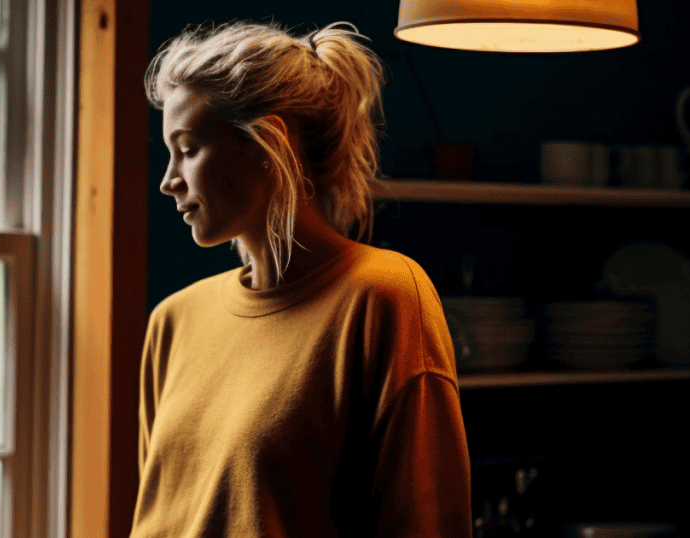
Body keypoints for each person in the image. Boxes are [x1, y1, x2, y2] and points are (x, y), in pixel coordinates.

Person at [132, 20, 472, 537]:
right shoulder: (173, 322)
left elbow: (427, 523)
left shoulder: (382, 298)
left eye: (188, 148)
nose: (168, 180)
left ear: (269, 145)